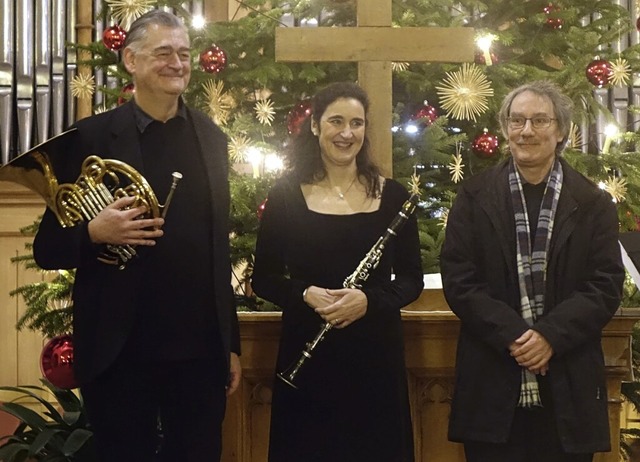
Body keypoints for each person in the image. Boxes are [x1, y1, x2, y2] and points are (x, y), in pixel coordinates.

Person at [32, 10, 241, 462]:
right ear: (130, 60)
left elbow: (216, 251)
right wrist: (94, 231)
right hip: (118, 351)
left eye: (184, 54)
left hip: (199, 351)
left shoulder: (211, 137)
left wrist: (231, 345)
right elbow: (46, 249)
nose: (177, 64)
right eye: (163, 53)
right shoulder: (89, 137)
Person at [440, 80, 625, 462]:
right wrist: (516, 336)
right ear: (505, 127)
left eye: (540, 120)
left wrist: (549, 336)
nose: (527, 131)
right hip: (492, 382)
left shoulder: (593, 203)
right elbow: (460, 279)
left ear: (561, 131)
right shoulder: (474, 198)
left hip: (567, 384)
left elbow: (604, 285)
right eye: (517, 120)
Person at [251, 81, 423, 462]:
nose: (347, 134)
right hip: (308, 352)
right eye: (337, 122)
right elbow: (263, 277)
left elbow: (412, 278)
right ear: (315, 126)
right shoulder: (285, 196)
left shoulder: (394, 197)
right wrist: (304, 293)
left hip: (375, 354)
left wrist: (369, 300)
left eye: (357, 124)